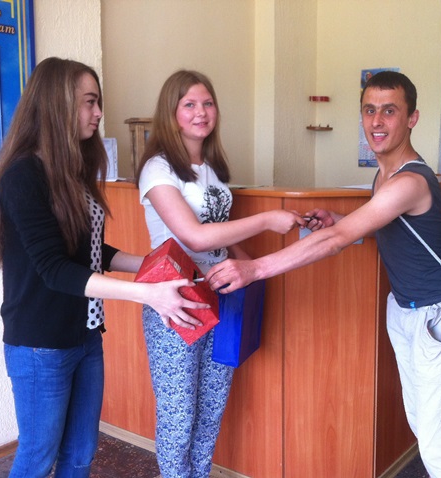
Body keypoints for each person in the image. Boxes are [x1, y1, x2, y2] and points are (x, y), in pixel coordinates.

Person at [206, 71, 441, 477]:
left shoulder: (410, 181)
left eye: (390, 111)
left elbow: (335, 242)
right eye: (369, 110)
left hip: (438, 316)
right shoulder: (384, 176)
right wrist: (340, 219)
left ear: (412, 119)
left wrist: (255, 268)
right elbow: (387, 230)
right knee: (427, 426)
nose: (377, 121)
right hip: (408, 312)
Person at [0, 57, 208, 478]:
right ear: (57, 104)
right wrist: (147, 293)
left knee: (81, 455)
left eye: (97, 102)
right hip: (40, 345)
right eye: (89, 102)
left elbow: (89, 250)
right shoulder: (23, 176)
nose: (98, 113)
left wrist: (152, 266)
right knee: (38, 458)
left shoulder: (71, 172)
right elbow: (55, 269)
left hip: (85, 336)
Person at [136, 69, 305, 478]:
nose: (201, 112)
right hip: (176, 303)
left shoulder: (210, 167)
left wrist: (256, 269)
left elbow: (217, 239)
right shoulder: (159, 169)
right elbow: (194, 236)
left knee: (211, 411)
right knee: (179, 417)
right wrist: (266, 220)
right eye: (190, 104)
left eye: (208, 103)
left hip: (221, 298)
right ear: (171, 113)